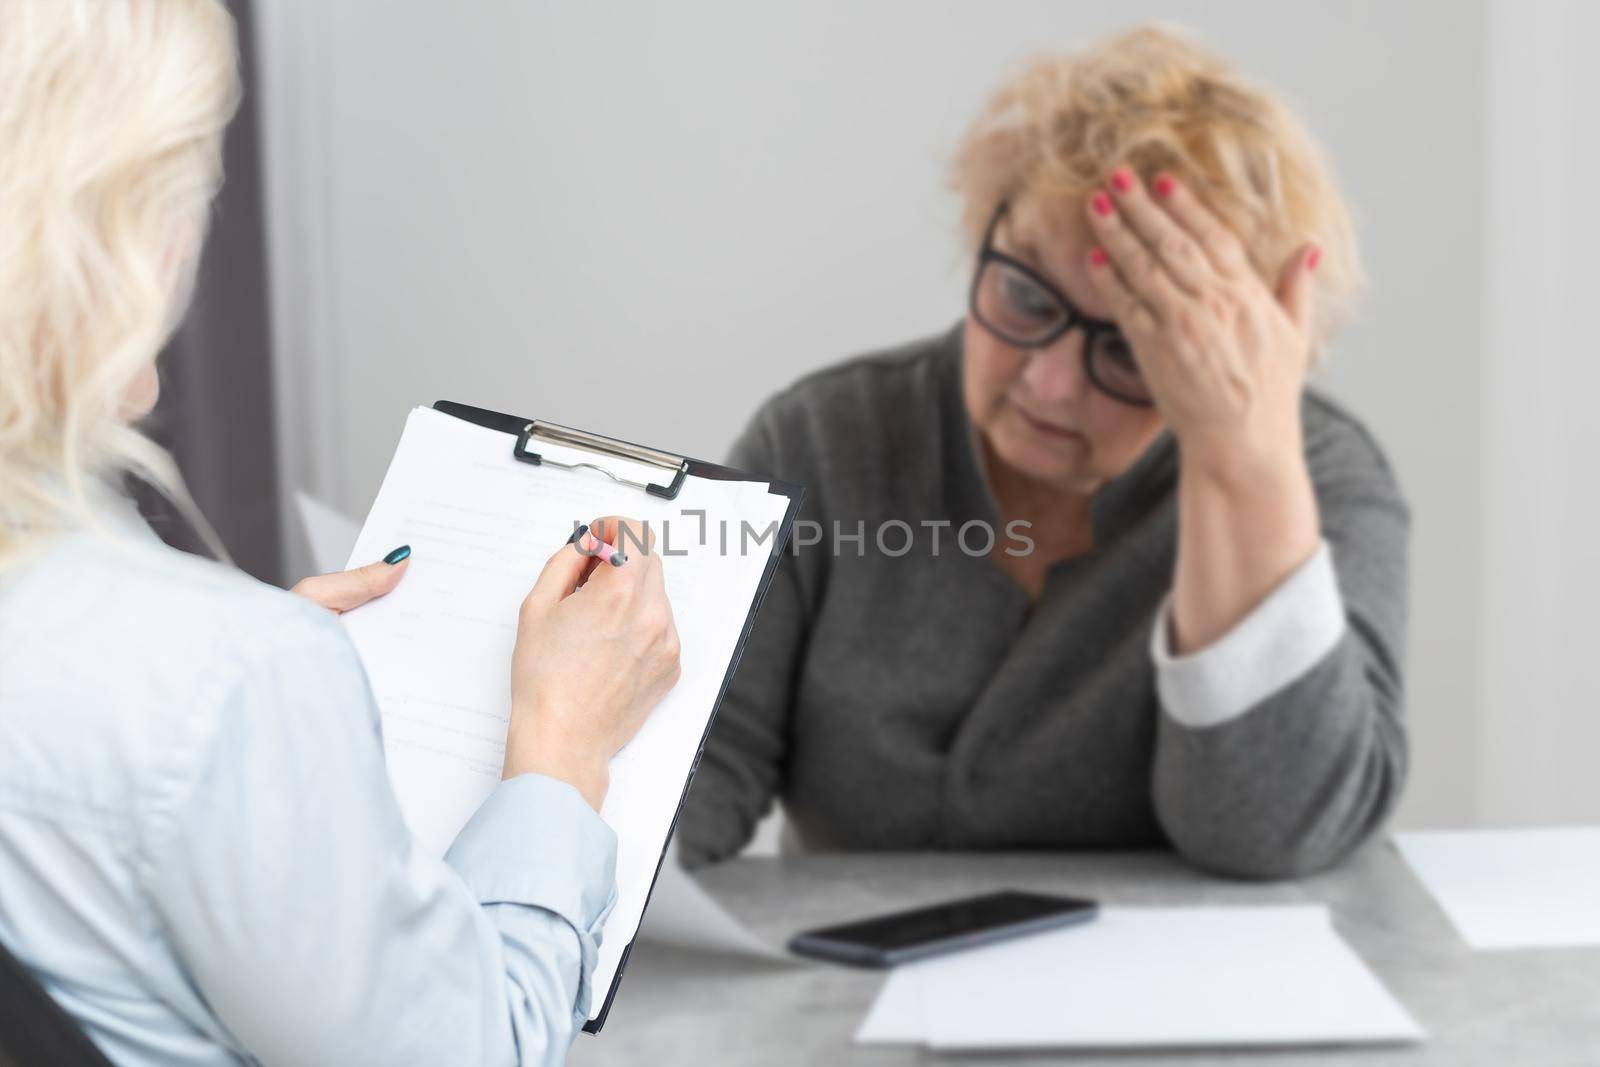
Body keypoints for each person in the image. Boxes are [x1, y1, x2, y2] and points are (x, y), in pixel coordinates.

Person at [0, 2, 679, 1064]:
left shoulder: (204, 674)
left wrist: (235, 697)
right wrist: (563, 751)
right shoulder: (219, 679)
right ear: (113, 236)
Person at [679, 25, 1408, 880]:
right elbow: (689, 780)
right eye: (1026, 293)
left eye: (1134, 347)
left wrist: (1240, 460)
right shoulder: (822, 440)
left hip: (1166, 1001)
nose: (1051, 383)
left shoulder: (1320, 480)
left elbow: (1275, 829)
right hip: (843, 993)